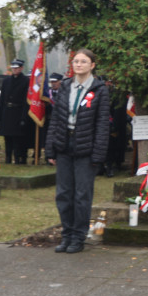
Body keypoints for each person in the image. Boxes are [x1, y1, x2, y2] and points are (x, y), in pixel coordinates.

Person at [46, 49, 110, 253]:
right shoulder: (65, 86)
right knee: (63, 194)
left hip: (86, 149)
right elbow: (55, 119)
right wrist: (51, 150)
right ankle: (66, 234)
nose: (78, 64)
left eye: (83, 61)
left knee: (82, 195)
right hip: (64, 146)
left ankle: (78, 237)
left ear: (92, 65)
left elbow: (102, 125)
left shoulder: (99, 89)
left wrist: (98, 155)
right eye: (75, 61)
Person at [0, 58, 30, 164]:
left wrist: (24, 117)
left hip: (18, 111)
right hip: (7, 112)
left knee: (17, 139)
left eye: (17, 68)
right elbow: (2, 99)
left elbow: (26, 100)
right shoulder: (6, 81)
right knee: (7, 138)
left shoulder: (26, 81)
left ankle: (17, 158)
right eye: (13, 68)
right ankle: (8, 158)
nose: (15, 70)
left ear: (21, 68)